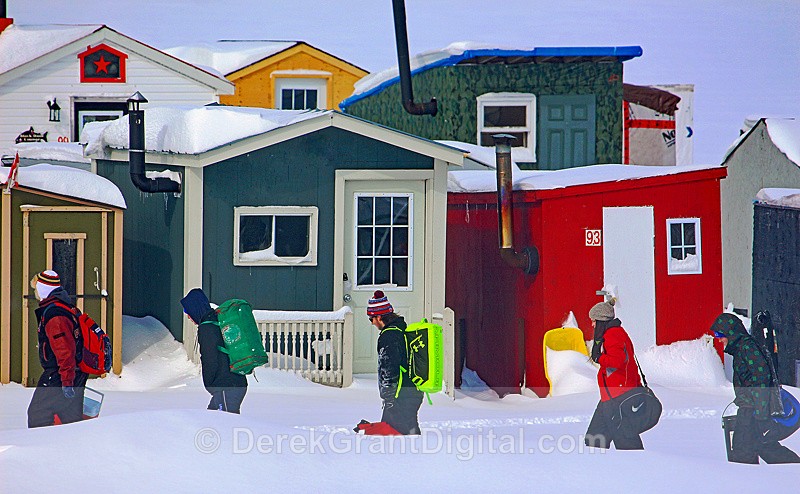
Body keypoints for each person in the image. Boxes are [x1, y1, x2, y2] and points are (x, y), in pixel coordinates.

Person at [711, 312, 800, 464]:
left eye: (720, 334)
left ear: (732, 333)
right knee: (758, 445)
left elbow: (761, 379)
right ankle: (789, 469)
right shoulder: (742, 348)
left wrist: (761, 415)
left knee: (743, 449)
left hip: (753, 410)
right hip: (749, 408)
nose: (718, 339)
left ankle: (788, 470)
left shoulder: (747, 348)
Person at [27, 270, 88, 428]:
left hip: (60, 374)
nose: (35, 292)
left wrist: (66, 381)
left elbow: (65, 350)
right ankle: (70, 449)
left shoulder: (55, 315)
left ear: (42, 289)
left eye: (36, 288)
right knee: (70, 419)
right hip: (74, 371)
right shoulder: (65, 307)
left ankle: (44, 450)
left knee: (38, 414)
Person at [584, 300, 644, 450]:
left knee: (623, 441)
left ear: (601, 320)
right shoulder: (615, 333)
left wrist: (599, 358)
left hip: (617, 396)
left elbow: (617, 361)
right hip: (612, 395)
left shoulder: (613, 334)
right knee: (596, 439)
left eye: (593, 321)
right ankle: (605, 468)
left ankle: (637, 466)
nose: (592, 325)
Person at [181, 288, 247, 414]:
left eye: (187, 311)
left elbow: (210, 358)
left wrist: (210, 384)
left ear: (196, 308)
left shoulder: (207, 328)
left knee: (224, 425)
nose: (188, 316)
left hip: (226, 387)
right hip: (234, 384)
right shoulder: (218, 321)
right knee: (212, 420)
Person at [369, 290, 423, 435]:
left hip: (400, 395)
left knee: (395, 440)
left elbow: (389, 367)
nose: (372, 323)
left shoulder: (389, 337)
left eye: (371, 319)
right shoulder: (402, 329)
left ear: (379, 317)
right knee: (410, 434)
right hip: (413, 391)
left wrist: (389, 397)